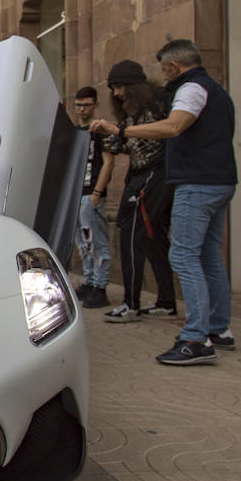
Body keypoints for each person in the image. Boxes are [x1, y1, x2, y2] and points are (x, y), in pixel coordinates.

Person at [97, 41, 237, 365]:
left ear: (173, 67)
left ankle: (196, 338)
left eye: (163, 69)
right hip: (221, 181)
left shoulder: (190, 89)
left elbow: (175, 126)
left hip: (197, 183)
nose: (162, 75)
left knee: (184, 255)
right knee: (209, 256)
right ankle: (219, 328)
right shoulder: (217, 90)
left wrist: (122, 130)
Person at [90, 61, 177, 324]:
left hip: (153, 175)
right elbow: (140, 144)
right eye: (113, 88)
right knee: (154, 239)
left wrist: (121, 134)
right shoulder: (133, 111)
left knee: (131, 235)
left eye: (119, 87)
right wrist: (121, 145)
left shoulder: (157, 105)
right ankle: (166, 301)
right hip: (143, 174)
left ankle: (131, 303)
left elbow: (160, 139)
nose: (116, 93)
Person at [72, 86, 114, 309]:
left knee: (97, 242)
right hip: (77, 194)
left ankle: (100, 286)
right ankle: (89, 281)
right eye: (78, 105)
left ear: (95, 105)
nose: (81, 109)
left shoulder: (100, 130)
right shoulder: (76, 132)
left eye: (86, 105)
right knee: (83, 242)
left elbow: (109, 162)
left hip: (92, 193)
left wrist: (98, 192)